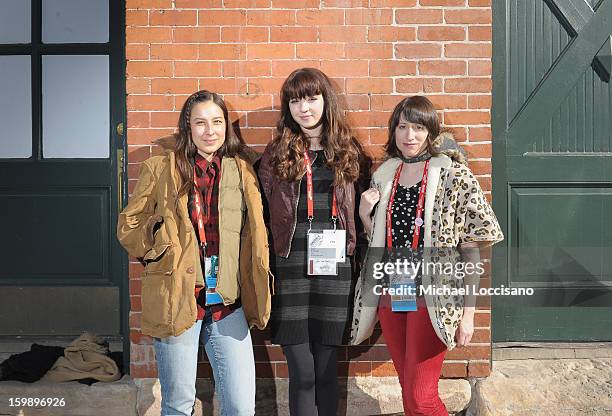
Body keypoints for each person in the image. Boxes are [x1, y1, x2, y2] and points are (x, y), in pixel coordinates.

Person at [117, 90, 271, 416]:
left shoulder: (242, 170)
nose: (210, 130)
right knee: (178, 405)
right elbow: (129, 225)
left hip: (228, 300)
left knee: (242, 407)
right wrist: (161, 250)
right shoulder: (161, 167)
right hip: (177, 298)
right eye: (200, 123)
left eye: (217, 122)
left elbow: (255, 231)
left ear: (226, 126)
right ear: (188, 126)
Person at [351, 96, 503, 415]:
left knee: (421, 395)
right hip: (393, 292)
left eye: (418, 127)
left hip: (435, 297)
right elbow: (378, 238)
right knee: (408, 386)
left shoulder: (453, 176)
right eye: (402, 127)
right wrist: (365, 213)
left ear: (430, 132)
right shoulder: (385, 174)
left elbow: (471, 250)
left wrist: (468, 315)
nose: (409, 136)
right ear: (393, 132)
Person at [257, 68, 368, 416]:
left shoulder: (350, 153)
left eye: (311, 98)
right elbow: (261, 214)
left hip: (335, 268)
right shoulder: (275, 155)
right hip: (290, 269)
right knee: (302, 374)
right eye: (295, 100)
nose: (304, 108)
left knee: (326, 372)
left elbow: (361, 219)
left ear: (326, 101)